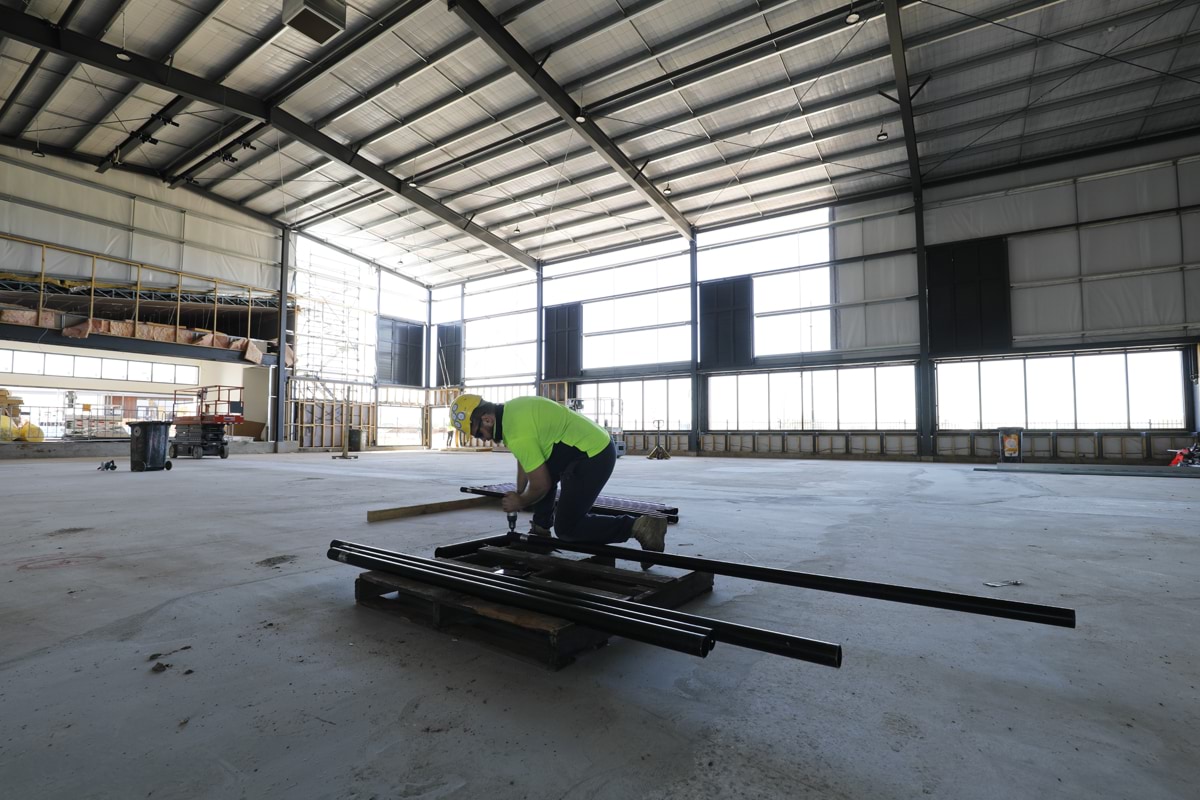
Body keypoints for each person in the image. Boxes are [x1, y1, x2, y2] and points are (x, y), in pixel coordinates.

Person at [449, 393, 667, 565]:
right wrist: (519, 490)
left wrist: (521, 501)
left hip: (593, 456)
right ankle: (541, 530)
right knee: (544, 471)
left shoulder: (517, 433)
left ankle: (640, 526)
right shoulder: (513, 410)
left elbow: (541, 484)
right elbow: (527, 460)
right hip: (584, 448)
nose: (483, 439)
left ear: (487, 419)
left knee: (567, 529)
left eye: (478, 433)